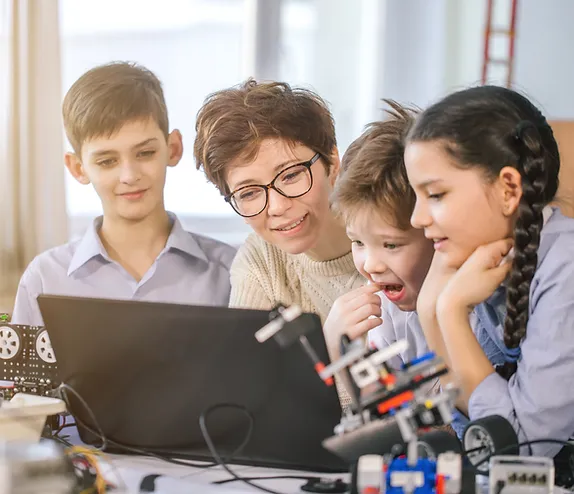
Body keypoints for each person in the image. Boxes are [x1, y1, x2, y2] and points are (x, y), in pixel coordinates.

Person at [404, 85, 574, 458]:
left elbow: (521, 450)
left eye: (435, 195)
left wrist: (450, 314)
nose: (417, 219)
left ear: (509, 188)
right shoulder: (480, 265)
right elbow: (475, 440)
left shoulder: (567, 270)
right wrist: (431, 312)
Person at [12, 62, 236, 326]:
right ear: (77, 168)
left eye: (145, 153)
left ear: (173, 148)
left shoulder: (230, 272)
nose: (129, 176)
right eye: (107, 161)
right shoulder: (45, 278)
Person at [194, 80, 364, 323]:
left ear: (333, 162)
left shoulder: (393, 228)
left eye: (291, 175)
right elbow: (248, 359)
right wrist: (330, 343)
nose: (277, 206)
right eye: (249, 193)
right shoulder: (261, 262)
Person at [324, 100, 434, 369]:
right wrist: (339, 352)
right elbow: (384, 407)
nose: (370, 265)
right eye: (358, 242)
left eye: (391, 244)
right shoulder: (388, 308)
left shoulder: (478, 311)